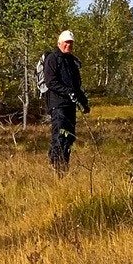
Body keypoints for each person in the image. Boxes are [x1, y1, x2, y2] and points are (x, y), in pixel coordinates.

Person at [37, 29, 90, 172]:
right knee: (59, 136)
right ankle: (56, 166)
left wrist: (84, 102)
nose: (69, 45)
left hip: (70, 106)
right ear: (59, 43)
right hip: (57, 105)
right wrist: (68, 92)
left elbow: (76, 86)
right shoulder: (52, 59)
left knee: (69, 137)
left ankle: (64, 166)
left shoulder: (72, 62)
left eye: (71, 43)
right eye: (67, 42)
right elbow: (51, 82)